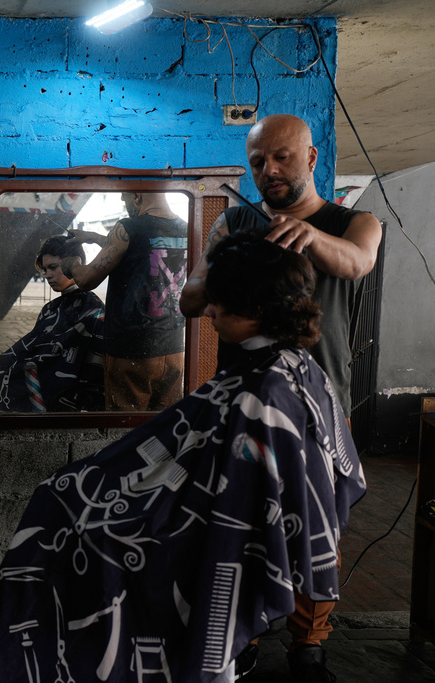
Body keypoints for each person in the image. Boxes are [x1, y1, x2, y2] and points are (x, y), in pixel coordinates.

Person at [0, 233, 366, 683]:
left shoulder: (266, 391)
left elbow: (231, 503)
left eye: (219, 301)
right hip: (201, 506)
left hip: (209, 530)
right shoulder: (294, 368)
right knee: (61, 493)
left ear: (254, 307)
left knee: (59, 520)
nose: (208, 311)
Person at [179, 114, 382, 681]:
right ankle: (241, 632)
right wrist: (233, 264)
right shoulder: (234, 221)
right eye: (258, 162)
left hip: (319, 407)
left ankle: (308, 642)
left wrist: (311, 238)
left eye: (281, 157)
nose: (268, 169)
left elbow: (357, 261)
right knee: (239, 521)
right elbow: (190, 300)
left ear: (311, 158)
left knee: (318, 523)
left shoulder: (354, 221)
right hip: (246, 405)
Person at [62, 192, 188, 411]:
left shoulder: (127, 227)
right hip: (174, 349)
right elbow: (141, 248)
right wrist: (96, 237)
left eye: (124, 197)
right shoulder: (185, 228)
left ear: (137, 196)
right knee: (165, 425)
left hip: (131, 352)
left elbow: (86, 280)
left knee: (124, 426)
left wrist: (72, 264)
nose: (123, 202)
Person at [0, 235, 105, 412]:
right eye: (45, 270)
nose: (47, 275)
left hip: (64, 392)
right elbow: (34, 348)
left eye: (53, 268)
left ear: (74, 263)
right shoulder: (50, 308)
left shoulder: (92, 310)